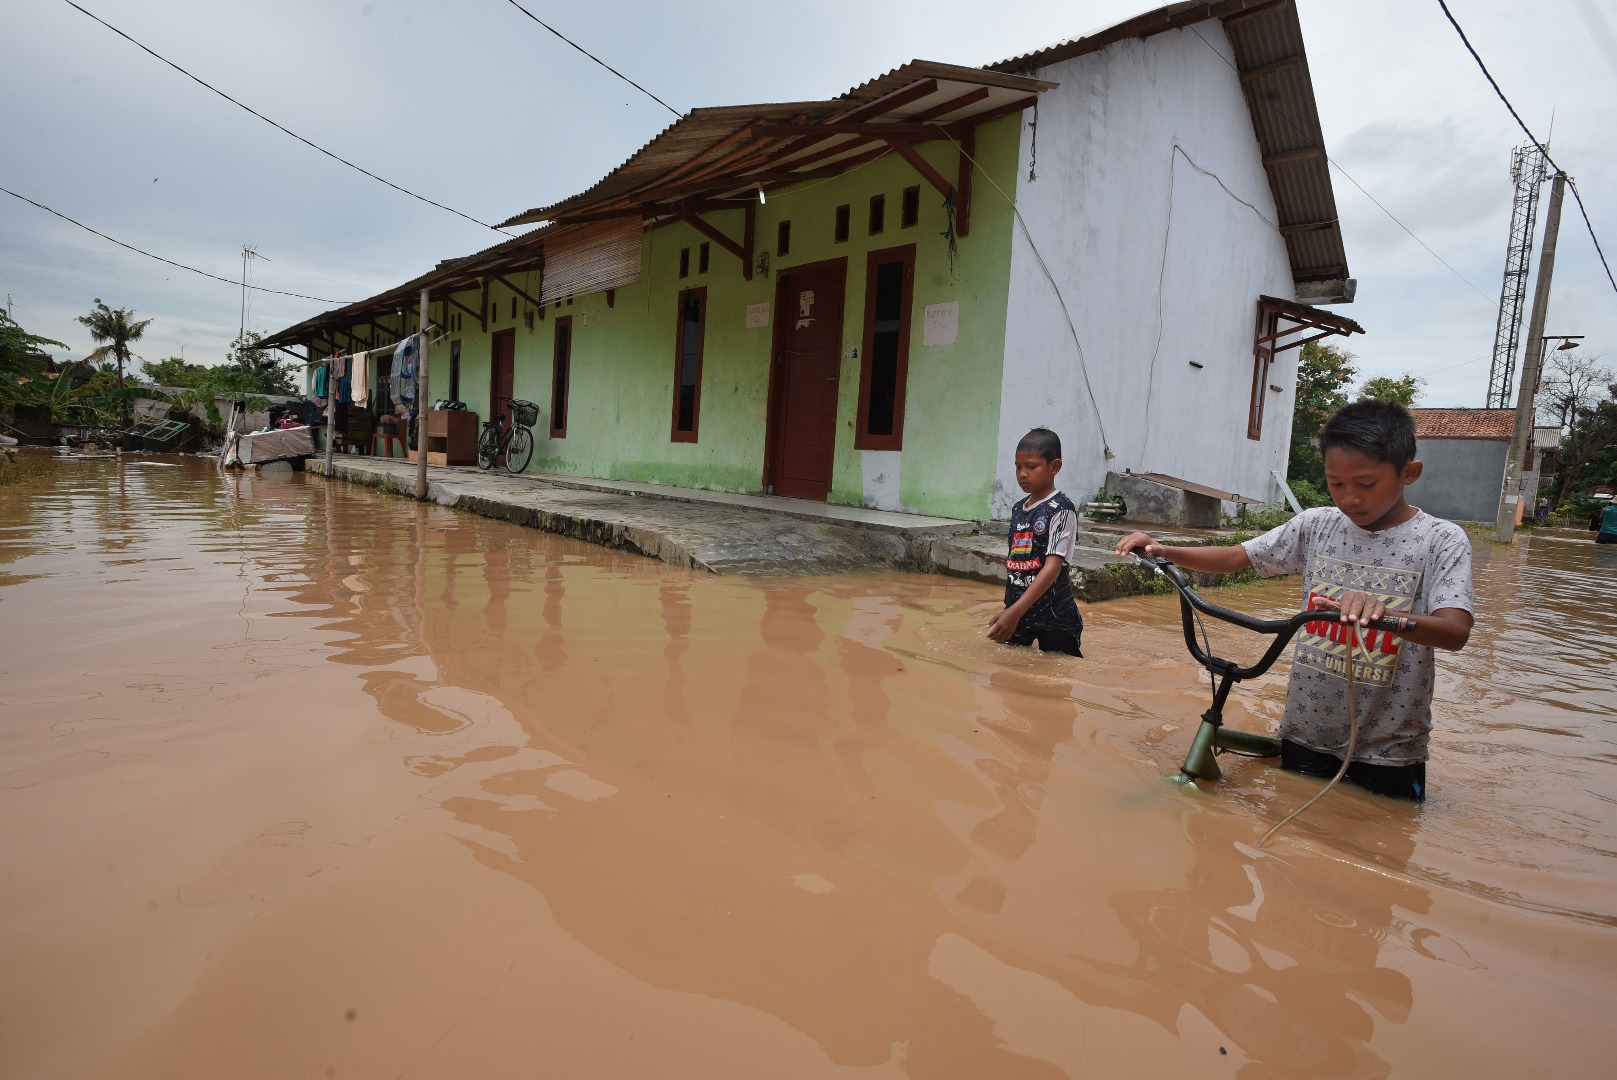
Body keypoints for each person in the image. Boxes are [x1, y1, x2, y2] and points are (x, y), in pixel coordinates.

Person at [1113, 400, 1473, 801]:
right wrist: (1166, 551)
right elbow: (1239, 556)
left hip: (1388, 747)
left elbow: (1456, 631)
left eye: (1366, 484)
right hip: (1307, 729)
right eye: (1337, 484)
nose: (1350, 498)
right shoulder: (1316, 526)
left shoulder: (1441, 540)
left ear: (1410, 473)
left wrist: (1388, 617)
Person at [987, 428, 1084, 657]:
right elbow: (1016, 561)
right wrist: (1011, 610)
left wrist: (1014, 612)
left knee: (1057, 673)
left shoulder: (1062, 509)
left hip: (1054, 614)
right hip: (1018, 609)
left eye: (1031, 467)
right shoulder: (1018, 509)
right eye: (1018, 467)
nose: (1022, 474)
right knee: (1007, 672)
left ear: (1054, 467)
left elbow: (1052, 568)